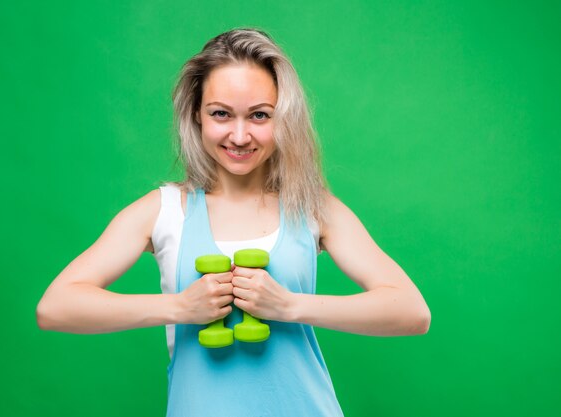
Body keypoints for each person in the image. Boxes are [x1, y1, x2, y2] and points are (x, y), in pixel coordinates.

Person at [36, 27, 431, 417]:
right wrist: (179, 306)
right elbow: (55, 307)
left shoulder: (313, 208)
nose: (239, 136)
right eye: (221, 114)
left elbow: (412, 312)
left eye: (259, 115)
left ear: (283, 118)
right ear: (197, 114)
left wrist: (290, 305)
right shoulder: (164, 210)